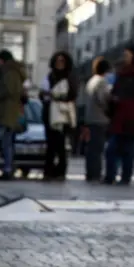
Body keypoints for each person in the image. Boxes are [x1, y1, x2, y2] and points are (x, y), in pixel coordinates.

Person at [104, 44, 134, 185]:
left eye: (127, 55)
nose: (124, 57)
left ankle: (125, 177)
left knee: (127, 149)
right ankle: (110, 176)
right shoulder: (121, 72)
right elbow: (115, 90)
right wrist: (113, 99)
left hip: (131, 115)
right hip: (118, 114)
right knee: (111, 148)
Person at [0, 49, 26, 180]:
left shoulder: (9, 73)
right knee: (7, 142)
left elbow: (8, 90)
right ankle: (7, 169)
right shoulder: (17, 72)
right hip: (12, 113)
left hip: (4, 112)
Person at [41, 51, 77, 181]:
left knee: (61, 145)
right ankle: (49, 171)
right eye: (57, 61)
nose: (59, 63)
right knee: (50, 144)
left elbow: (72, 94)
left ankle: (61, 171)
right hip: (49, 113)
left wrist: (56, 96)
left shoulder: (70, 77)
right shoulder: (50, 76)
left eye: (62, 61)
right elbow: (42, 95)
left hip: (63, 115)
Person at [83, 57, 112, 182]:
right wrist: (109, 108)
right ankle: (95, 173)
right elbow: (102, 99)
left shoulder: (91, 81)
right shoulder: (101, 82)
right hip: (99, 118)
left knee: (91, 148)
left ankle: (91, 172)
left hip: (90, 118)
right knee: (97, 148)